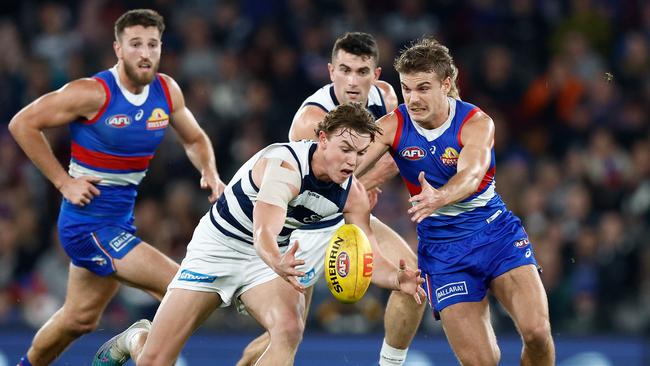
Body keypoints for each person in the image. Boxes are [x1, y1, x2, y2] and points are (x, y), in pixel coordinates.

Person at [94, 103, 426, 365]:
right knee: (154, 360)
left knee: (289, 329)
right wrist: (278, 261)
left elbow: (365, 250)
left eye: (359, 153)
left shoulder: (351, 194)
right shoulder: (285, 165)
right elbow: (264, 230)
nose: (352, 161)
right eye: (345, 149)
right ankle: (135, 338)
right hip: (220, 249)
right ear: (322, 139)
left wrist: (399, 279)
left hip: (268, 261)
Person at [8, 9, 225, 366]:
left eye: (152, 44)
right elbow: (22, 124)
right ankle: (135, 342)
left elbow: (195, 138)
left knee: (79, 319)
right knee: (181, 286)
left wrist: (210, 172)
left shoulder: (167, 92)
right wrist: (64, 182)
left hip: (118, 224)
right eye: (135, 44)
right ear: (118, 49)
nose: (145, 52)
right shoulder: (92, 93)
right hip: (87, 225)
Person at [356, 38, 556, 365]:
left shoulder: (476, 122)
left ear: (446, 84)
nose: (413, 98)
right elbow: (347, 165)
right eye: (407, 89)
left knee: (536, 332)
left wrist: (440, 196)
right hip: (444, 252)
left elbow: (473, 173)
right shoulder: (392, 126)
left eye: (423, 88)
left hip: (496, 236)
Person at [238, 32, 426, 366]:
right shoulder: (311, 120)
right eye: (345, 70)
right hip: (305, 224)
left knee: (411, 278)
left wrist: (365, 182)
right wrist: (366, 180)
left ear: (377, 75)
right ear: (330, 72)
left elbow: (403, 151)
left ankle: (390, 363)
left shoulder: (385, 98)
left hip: (350, 214)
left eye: (362, 71)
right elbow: (316, 188)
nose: (353, 81)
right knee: (286, 334)